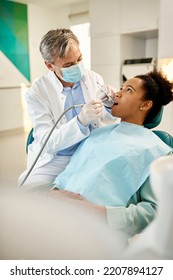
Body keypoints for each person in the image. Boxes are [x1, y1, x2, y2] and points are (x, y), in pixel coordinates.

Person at [51, 70, 173, 238]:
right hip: (60, 215)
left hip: (98, 232)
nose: (117, 94)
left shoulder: (156, 151)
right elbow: (71, 173)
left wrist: (98, 213)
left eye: (128, 90)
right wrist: (55, 191)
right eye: (121, 88)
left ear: (145, 105)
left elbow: (153, 211)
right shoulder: (98, 134)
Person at [18, 28, 116, 186]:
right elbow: (47, 142)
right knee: (30, 189)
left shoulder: (93, 78)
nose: (78, 66)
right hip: (56, 160)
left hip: (90, 152)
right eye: (69, 64)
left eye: (79, 59)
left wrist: (110, 105)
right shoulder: (37, 93)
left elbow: (108, 118)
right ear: (50, 66)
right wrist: (80, 122)